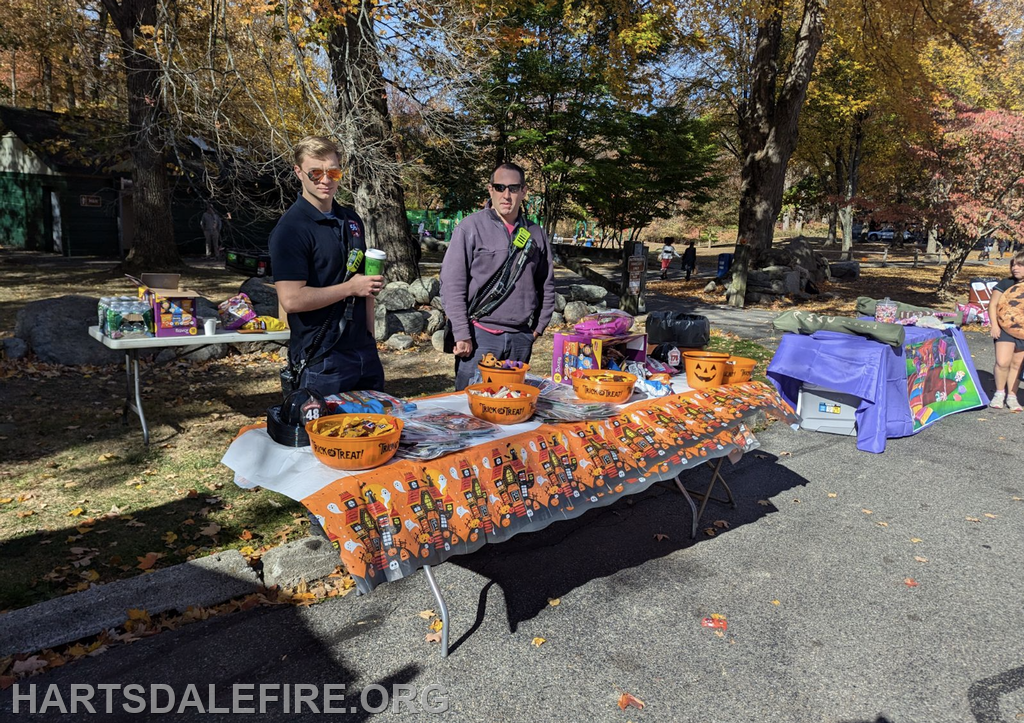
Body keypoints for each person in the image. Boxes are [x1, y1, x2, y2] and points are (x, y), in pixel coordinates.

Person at [269, 136, 384, 396]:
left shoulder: (351, 220)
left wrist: (369, 338)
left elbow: (363, 286)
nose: (326, 180)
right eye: (315, 173)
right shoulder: (290, 229)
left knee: (374, 432)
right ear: (298, 172)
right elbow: (291, 300)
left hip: (362, 352)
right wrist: (349, 288)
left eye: (333, 171)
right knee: (325, 435)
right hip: (320, 356)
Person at [440, 161, 555, 391]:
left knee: (511, 407)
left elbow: (547, 284)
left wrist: (536, 329)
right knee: (471, 411)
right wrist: (462, 333)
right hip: (479, 337)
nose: (506, 195)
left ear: (523, 191)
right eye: (500, 187)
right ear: (490, 189)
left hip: (520, 339)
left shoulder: (536, 234)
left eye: (513, 188)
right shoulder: (470, 227)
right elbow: (452, 284)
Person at [987, 250, 1024, 410]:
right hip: (1004, 329)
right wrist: (994, 325)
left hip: (1022, 332)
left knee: (1017, 365)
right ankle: (999, 393)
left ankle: (1012, 396)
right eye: (1013, 264)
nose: (1015, 268)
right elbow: (993, 304)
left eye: (1020, 265)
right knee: (1002, 362)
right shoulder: (1005, 284)